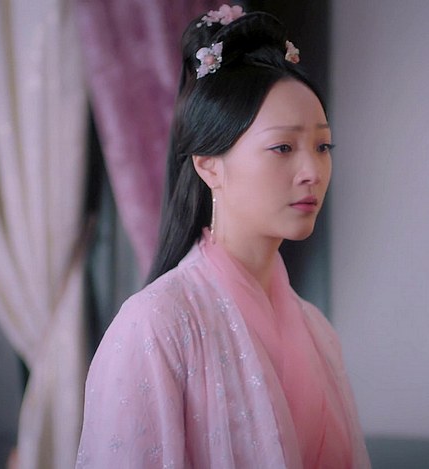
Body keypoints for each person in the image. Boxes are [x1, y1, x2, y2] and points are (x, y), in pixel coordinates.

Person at [76, 5, 370, 468]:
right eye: (283, 147)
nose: (312, 171)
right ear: (208, 165)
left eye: (322, 146)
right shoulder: (157, 325)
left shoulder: (317, 330)